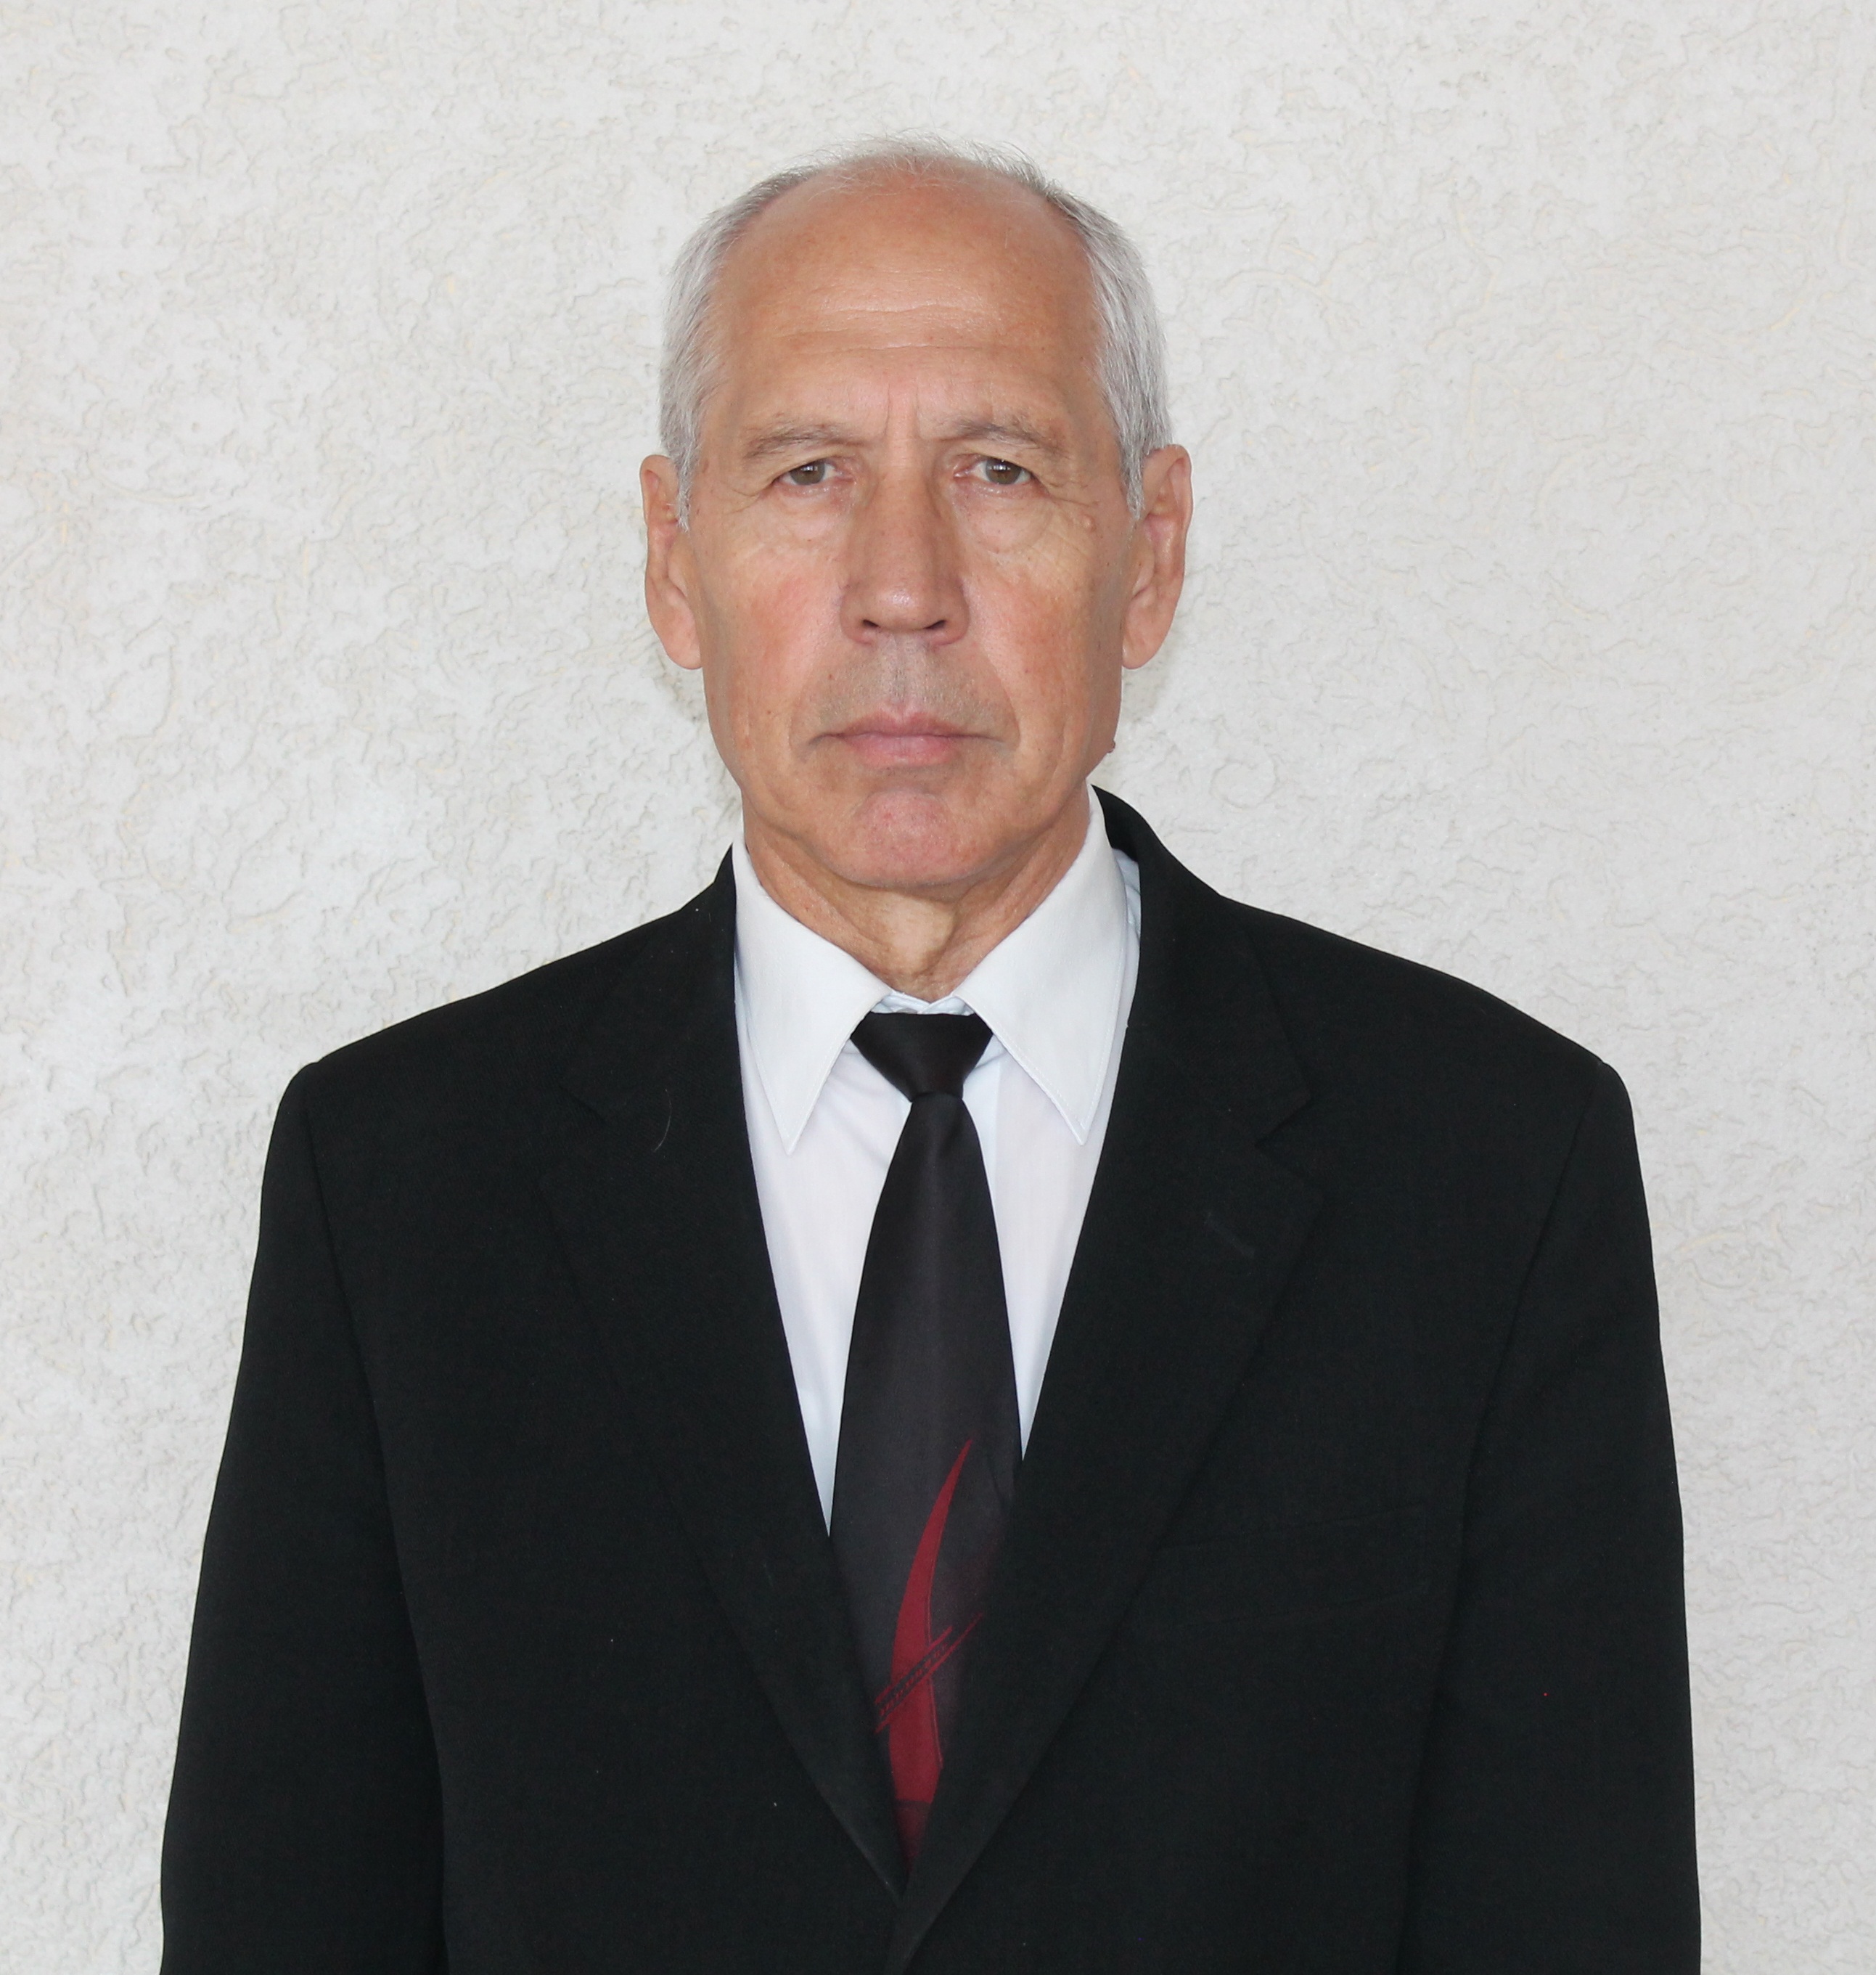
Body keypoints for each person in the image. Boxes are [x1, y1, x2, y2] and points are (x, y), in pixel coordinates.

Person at [160, 139, 1700, 1973]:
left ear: (1151, 554)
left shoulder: (1490, 1172)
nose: (905, 585)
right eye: (808, 472)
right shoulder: (401, 1189)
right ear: (673, 560)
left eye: (999, 469)